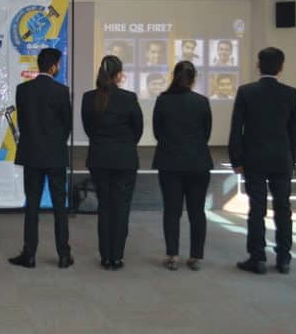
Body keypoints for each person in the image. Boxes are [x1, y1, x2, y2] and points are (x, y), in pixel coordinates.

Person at [229, 47, 296, 275]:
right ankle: (284, 259)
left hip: (254, 159)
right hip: (281, 159)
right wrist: (291, 160)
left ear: (258, 65)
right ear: (281, 67)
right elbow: (294, 132)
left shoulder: (246, 92)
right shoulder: (290, 93)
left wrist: (235, 159)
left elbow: (236, 129)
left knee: (256, 208)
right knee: (283, 209)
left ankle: (257, 258)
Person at [8, 48, 73, 270]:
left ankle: (29, 254)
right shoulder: (62, 91)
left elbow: (23, 124)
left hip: (32, 155)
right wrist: (55, 144)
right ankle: (64, 255)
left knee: (32, 206)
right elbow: (67, 125)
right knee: (59, 207)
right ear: (53, 67)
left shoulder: (23, 90)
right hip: (55, 156)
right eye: (59, 64)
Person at [81, 55, 143, 270]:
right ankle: (117, 256)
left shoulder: (89, 98)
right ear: (118, 75)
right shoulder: (129, 98)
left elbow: (88, 128)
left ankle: (105, 256)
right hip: (125, 160)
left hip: (99, 159)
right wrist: (125, 145)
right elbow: (138, 129)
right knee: (121, 209)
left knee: (105, 207)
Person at [152, 61, 213, 271]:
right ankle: (196, 257)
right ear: (194, 79)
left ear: (174, 76)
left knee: (171, 211)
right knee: (197, 212)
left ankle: (173, 256)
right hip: (198, 163)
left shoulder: (163, 101)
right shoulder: (202, 102)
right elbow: (206, 133)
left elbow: (157, 132)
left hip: (169, 163)